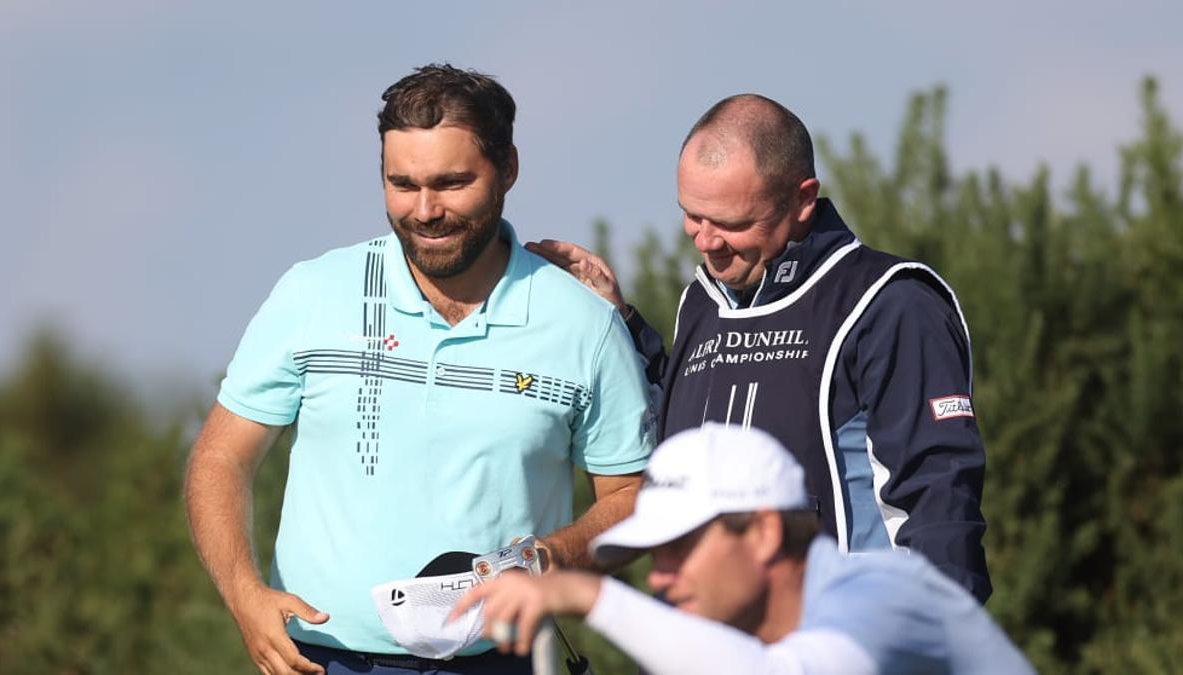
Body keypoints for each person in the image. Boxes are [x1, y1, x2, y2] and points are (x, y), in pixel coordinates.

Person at [184, 64, 655, 675]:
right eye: (402, 184)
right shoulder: (312, 293)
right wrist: (244, 596)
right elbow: (221, 458)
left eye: (452, 183)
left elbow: (633, 495)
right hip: (322, 661)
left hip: (503, 661)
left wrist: (553, 556)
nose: (425, 211)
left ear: (508, 169)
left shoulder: (584, 323)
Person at [528, 93, 991, 602]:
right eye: (692, 215)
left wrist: (941, 636)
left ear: (802, 200)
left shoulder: (890, 301)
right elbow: (679, 441)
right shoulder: (703, 301)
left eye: (730, 223)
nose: (706, 242)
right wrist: (620, 323)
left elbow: (939, 490)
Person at [451, 425, 1033, 674]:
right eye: (656, 555)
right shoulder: (754, 636)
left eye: (680, 547)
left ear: (764, 532)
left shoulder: (881, 595)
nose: (659, 577)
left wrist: (591, 595)